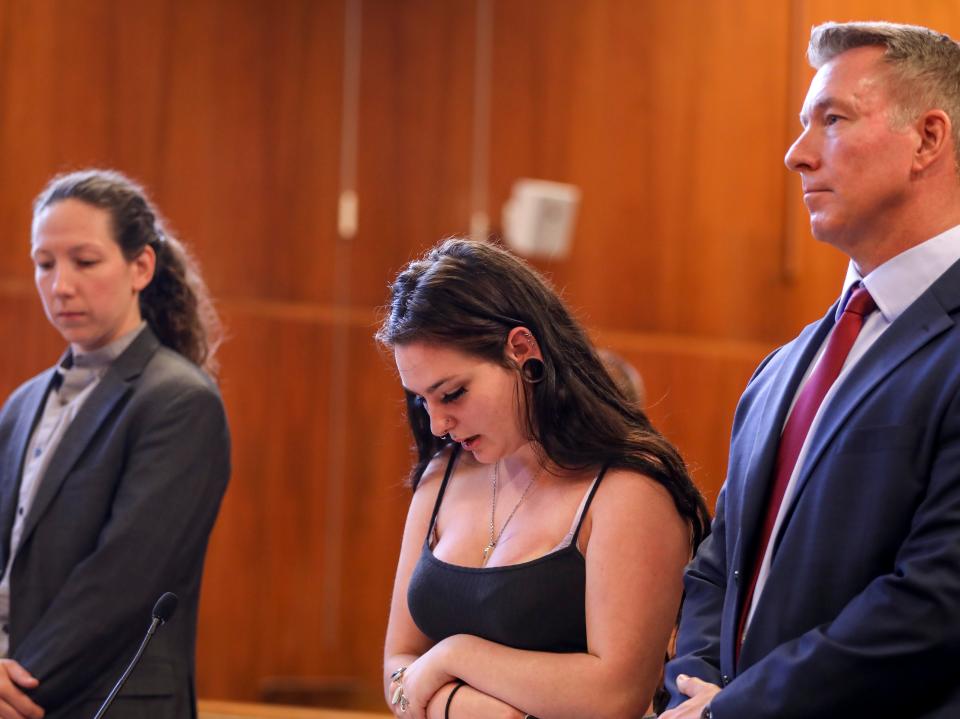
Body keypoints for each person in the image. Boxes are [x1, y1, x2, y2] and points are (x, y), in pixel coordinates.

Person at [663, 21, 960, 719]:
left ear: (927, 138)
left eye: (833, 119)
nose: (796, 155)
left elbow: (935, 601)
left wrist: (735, 710)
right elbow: (717, 565)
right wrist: (696, 686)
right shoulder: (783, 366)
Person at [378, 238, 710, 719]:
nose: (436, 424)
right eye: (420, 400)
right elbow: (398, 665)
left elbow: (616, 695)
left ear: (521, 349)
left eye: (452, 393)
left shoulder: (628, 490)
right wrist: (467, 707)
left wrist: (456, 656)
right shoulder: (443, 475)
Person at [0, 169, 231, 718]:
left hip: (105, 700)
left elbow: (125, 581)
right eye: (44, 263)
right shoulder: (22, 404)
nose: (60, 285)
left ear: (140, 267)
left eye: (84, 261)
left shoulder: (180, 401)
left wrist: (17, 687)